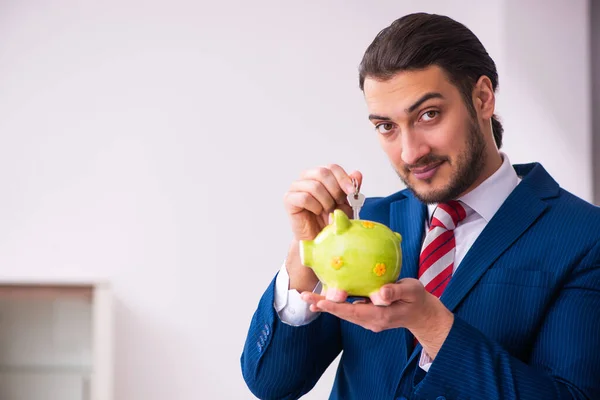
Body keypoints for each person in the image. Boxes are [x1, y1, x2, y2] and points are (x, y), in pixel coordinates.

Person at [240, 12, 600, 400]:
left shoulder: (584, 236)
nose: (411, 152)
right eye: (386, 127)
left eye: (428, 115)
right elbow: (272, 384)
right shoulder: (364, 220)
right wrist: (305, 254)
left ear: (482, 98)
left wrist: (432, 325)